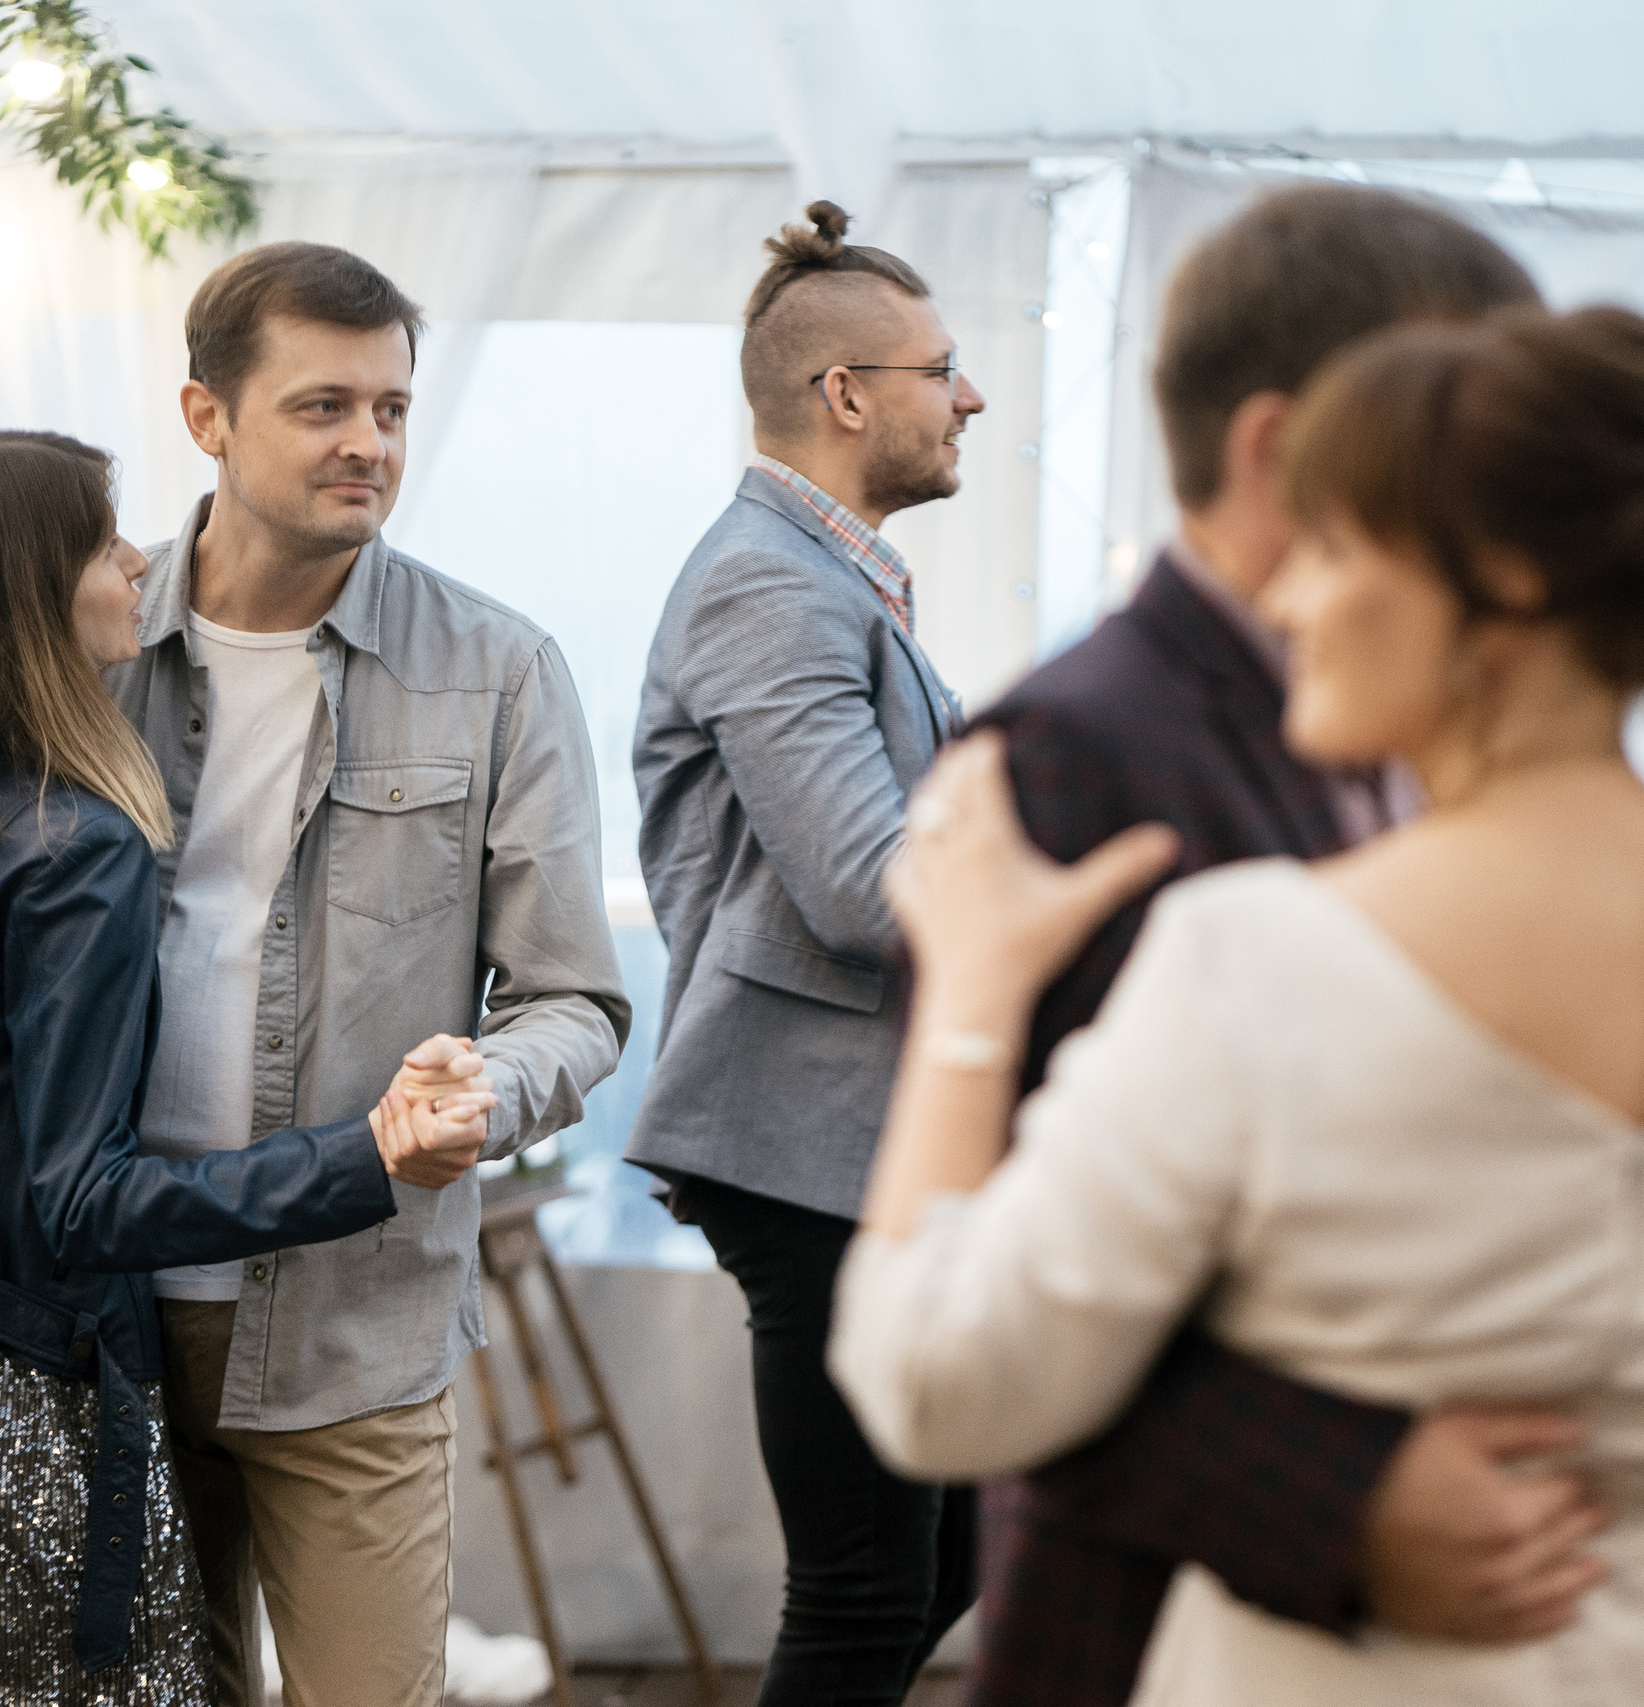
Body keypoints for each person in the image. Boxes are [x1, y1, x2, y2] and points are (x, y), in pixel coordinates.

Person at [830, 306, 1644, 1705]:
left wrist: (970, 998)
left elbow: (938, 1383)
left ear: (1510, 584)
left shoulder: (1253, 957)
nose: (1289, 601)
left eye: (1336, 547)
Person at [0, 430, 491, 1705]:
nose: (135, 566)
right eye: (100, 545)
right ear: (23, 595)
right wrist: (366, 1159)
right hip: (9, 1380)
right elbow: (81, 1206)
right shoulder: (71, 846)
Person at [107, 243, 631, 1706]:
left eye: (391, 408)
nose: (369, 443)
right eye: (323, 405)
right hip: (97, 1313)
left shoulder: (498, 669)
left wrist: (490, 1088)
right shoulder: (85, 638)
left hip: (354, 1317)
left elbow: (575, 999)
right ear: (208, 417)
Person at [624, 201, 983, 1706]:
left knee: (941, 1564)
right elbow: (865, 889)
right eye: (941, 370)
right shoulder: (772, 581)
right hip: (803, 1144)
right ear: (845, 393)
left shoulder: (828, 576)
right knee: (861, 1591)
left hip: (859, 1145)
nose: (970, 397)